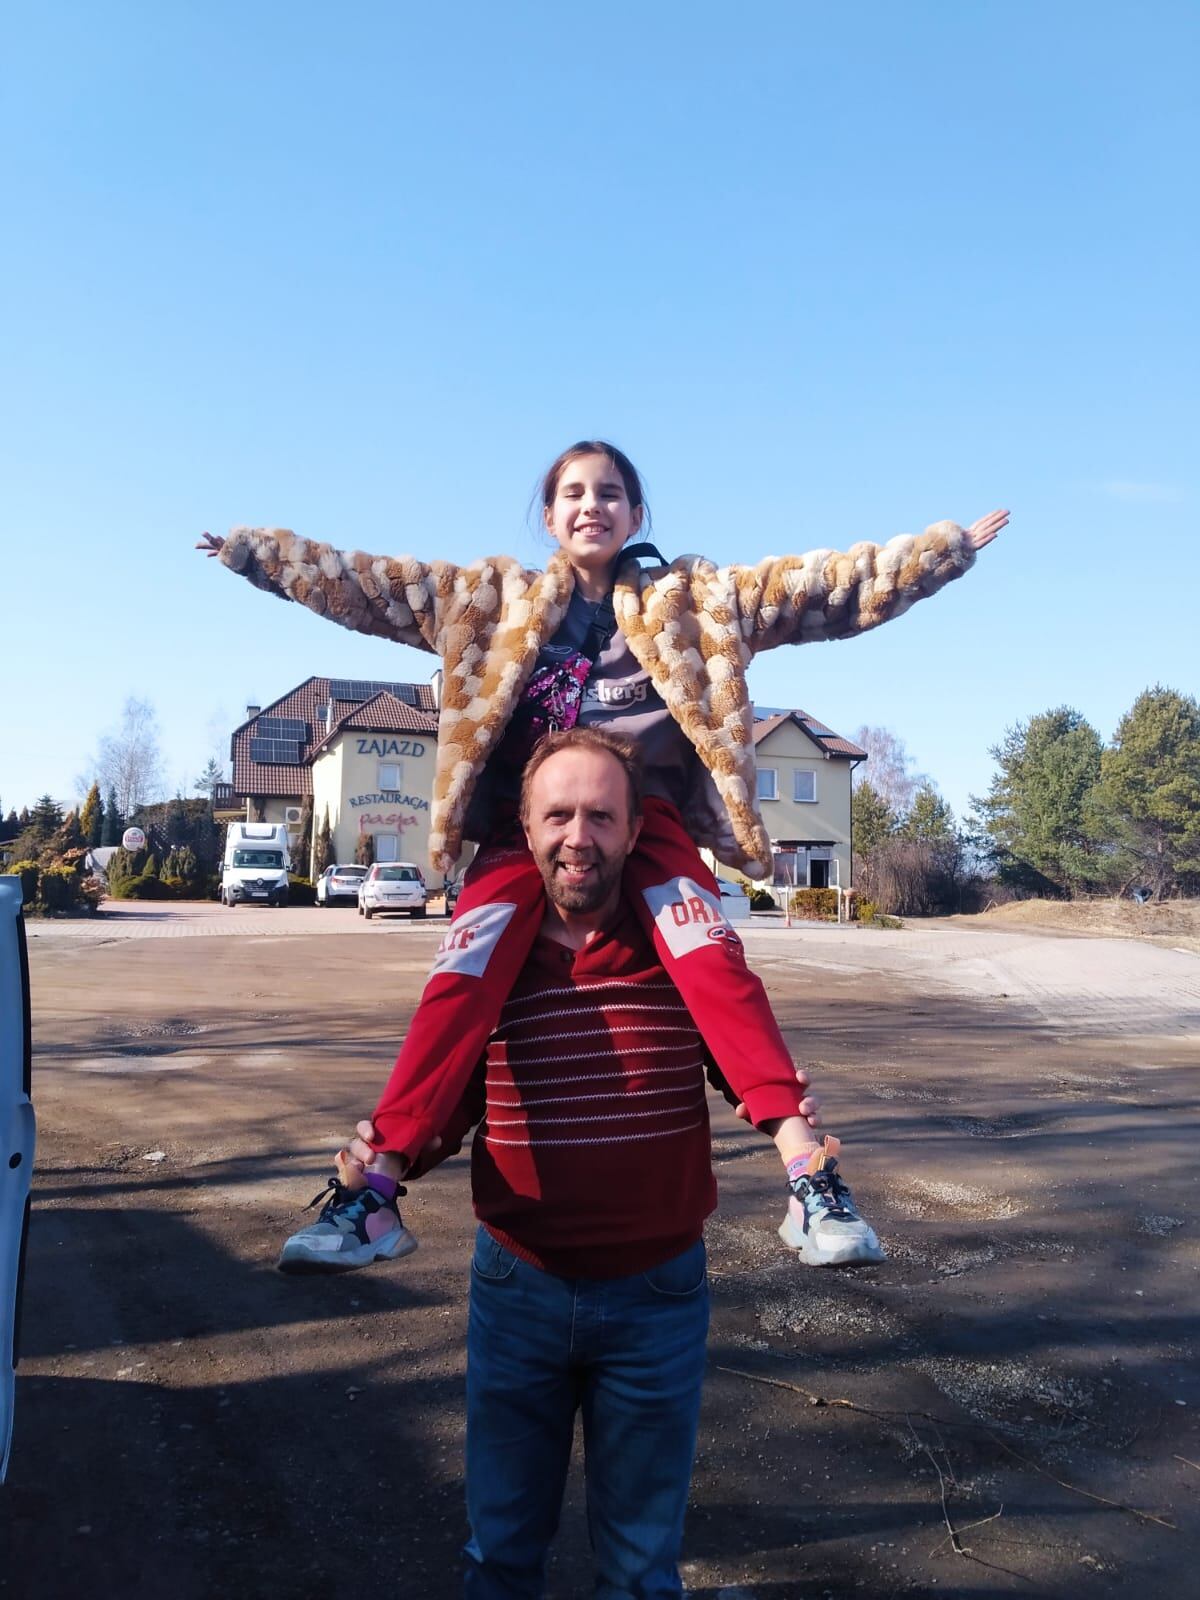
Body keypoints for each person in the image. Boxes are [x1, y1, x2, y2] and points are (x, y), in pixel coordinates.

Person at [199, 443, 1006, 1268]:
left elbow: (823, 588)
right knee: (461, 979)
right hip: (529, 833)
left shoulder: (694, 600)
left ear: (636, 515)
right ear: (549, 518)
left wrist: (942, 554)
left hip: (646, 823)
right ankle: (373, 1193)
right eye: (574, 494)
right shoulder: (485, 599)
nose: (593, 506)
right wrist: (253, 553)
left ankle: (809, 1176)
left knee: (712, 961)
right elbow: (362, 583)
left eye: (612, 493)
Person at [346, 727, 868, 1595]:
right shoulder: (496, 950)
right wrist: (384, 1163)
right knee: (501, 1557)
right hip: (518, 1293)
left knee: (639, 1569)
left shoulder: (678, 945)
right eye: (558, 815)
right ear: (526, 826)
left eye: (599, 815)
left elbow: (739, 1055)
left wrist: (786, 1118)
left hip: (656, 1300)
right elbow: (455, 1089)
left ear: (634, 830)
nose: (577, 836)